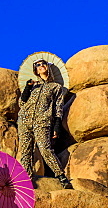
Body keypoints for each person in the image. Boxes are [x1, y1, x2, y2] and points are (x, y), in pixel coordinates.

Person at [18, 58, 72, 188]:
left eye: (43, 64)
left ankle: (61, 176)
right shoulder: (32, 86)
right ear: (35, 70)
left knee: (45, 149)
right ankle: (27, 181)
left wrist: (57, 126)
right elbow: (21, 103)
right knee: (25, 152)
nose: (40, 66)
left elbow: (58, 108)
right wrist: (27, 88)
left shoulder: (56, 87)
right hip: (24, 121)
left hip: (42, 121)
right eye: (37, 65)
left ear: (48, 67)